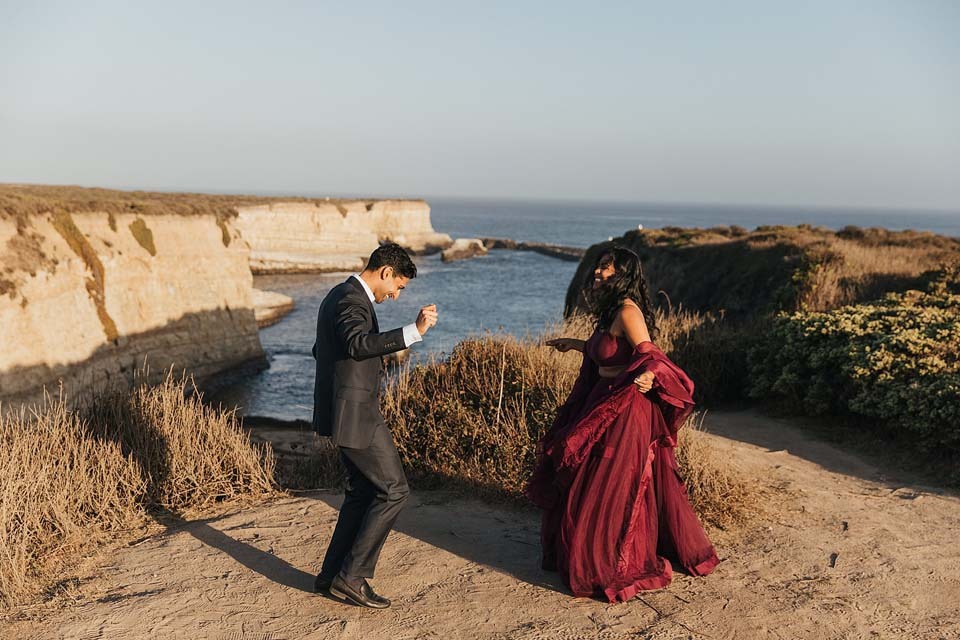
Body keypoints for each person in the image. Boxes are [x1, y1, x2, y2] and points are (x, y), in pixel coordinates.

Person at [527, 245, 719, 602]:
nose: (598, 272)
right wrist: (575, 344)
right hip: (602, 398)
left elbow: (650, 354)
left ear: (624, 274)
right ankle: (590, 555)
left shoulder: (628, 311)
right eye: (599, 266)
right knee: (589, 478)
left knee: (611, 484)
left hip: (626, 407)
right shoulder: (611, 310)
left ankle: (609, 562)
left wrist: (649, 375)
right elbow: (607, 351)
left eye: (606, 268)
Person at [311, 243, 438, 609]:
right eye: (397, 286)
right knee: (394, 490)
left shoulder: (338, 295)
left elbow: (322, 350)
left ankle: (331, 575)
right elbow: (356, 343)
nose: (395, 294)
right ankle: (352, 577)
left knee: (362, 493)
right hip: (356, 414)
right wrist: (413, 331)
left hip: (347, 411)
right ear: (385, 272)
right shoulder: (350, 300)